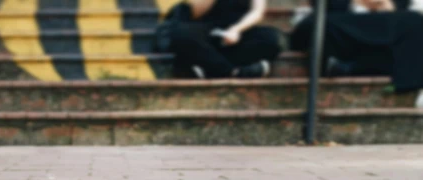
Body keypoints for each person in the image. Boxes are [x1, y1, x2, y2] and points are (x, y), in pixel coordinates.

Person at [290, 0, 423, 94]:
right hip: (343, 27)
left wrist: (388, 5)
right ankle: (350, 66)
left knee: (414, 22)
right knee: (315, 26)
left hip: (385, 27)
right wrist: (357, 2)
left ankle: (351, 67)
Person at [153, 0, 284, 78]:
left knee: (272, 39)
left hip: (239, 30)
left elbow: (257, 12)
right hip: (207, 28)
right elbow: (194, 13)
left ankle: (208, 67)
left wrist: (236, 30)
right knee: (181, 34)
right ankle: (234, 72)